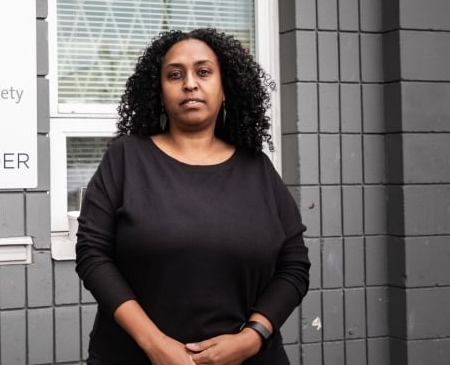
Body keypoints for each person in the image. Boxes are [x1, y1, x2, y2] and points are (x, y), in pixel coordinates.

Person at [75, 28, 311, 364]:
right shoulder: (126, 158)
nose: (190, 83)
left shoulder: (256, 168)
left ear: (225, 88)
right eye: (175, 74)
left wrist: (252, 337)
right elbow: (92, 254)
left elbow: (294, 265)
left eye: (203, 72)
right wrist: (155, 345)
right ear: (159, 91)